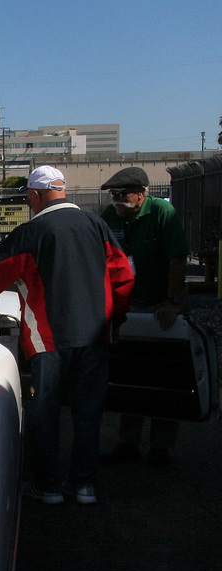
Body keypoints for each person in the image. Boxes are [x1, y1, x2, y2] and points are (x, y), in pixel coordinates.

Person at [0, 165, 134, 506]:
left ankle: (48, 486)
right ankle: (84, 485)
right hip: (95, 335)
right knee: (88, 413)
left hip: (49, 338)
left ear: (35, 194)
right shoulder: (97, 225)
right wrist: (115, 318)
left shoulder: (33, 230)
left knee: (45, 412)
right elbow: (122, 275)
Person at [99, 166, 190, 466]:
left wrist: (172, 301)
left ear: (140, 194)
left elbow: (177, 258)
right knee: (131, 372)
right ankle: (128, 442)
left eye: (123, 197)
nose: (118, 203)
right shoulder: (111, 218)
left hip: (159, 304)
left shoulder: (163, 213)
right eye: (114, 197)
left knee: (163, 375)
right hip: (129, 305)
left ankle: (161, 447)